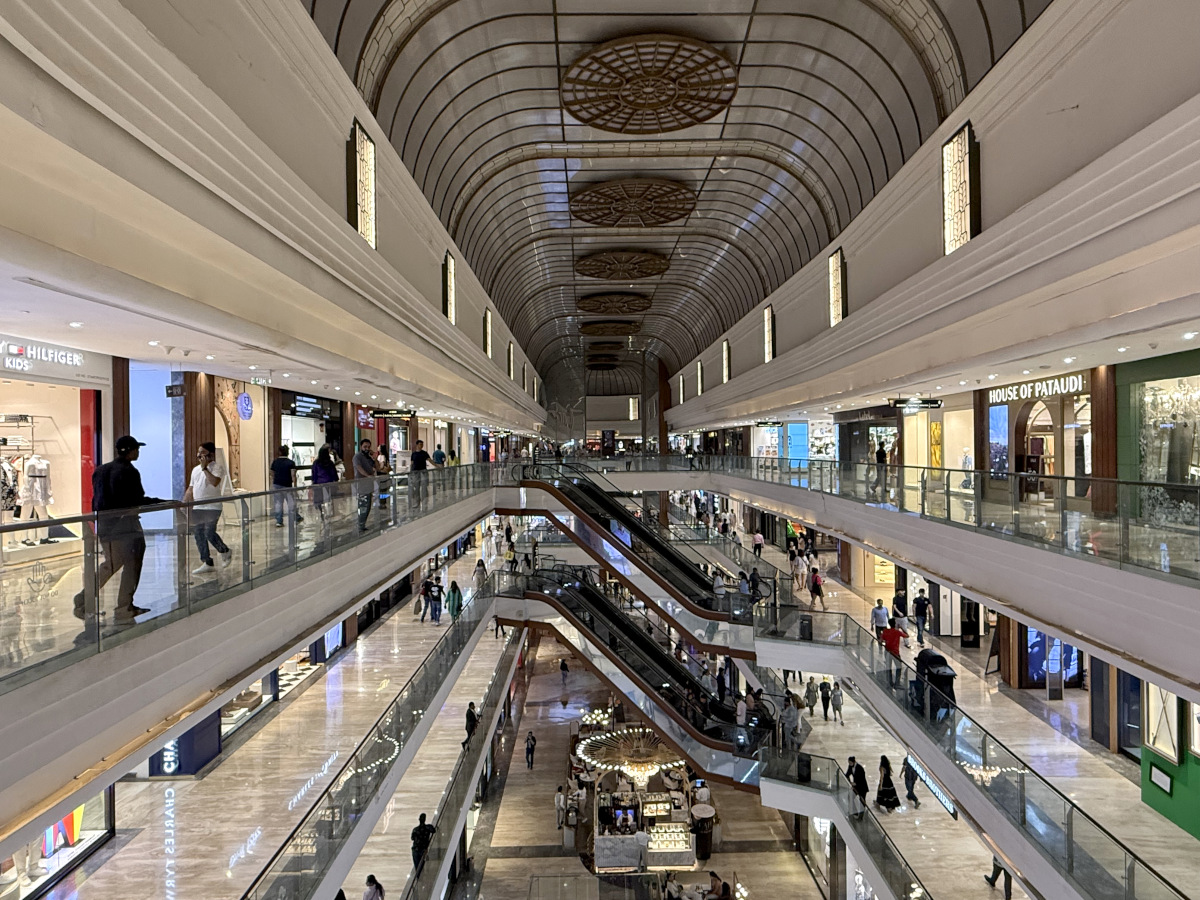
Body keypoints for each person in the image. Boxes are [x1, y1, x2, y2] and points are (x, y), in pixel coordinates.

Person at [74, 436, 171, 625]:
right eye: (136, 449)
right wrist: (163, 502)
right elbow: (136, 500)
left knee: (111, 563)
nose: (138, 452)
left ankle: (84, 598)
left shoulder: (101, 470)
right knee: (132, 563)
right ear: (130, 451)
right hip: (126, 526)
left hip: (105, 525)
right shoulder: (129, 471)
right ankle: (124, 607)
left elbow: (97, 500)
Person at [184, 441, 232, 575]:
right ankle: (207, 561)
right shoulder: (195, 470)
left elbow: (214, 482)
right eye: (198, 452)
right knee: (199, 534)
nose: (199, 455)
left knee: (209, 532)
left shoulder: (217, 468)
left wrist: (205, 468)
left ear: (210, 454)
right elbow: (191, 488)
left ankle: (224, 550)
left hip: (213, 506)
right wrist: (184, 502)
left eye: (203, 453)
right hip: (199, 506)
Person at [270, 444, 301, 527]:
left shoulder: (275, 462)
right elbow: (293, 475)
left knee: (278, 503)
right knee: (291, 502)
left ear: (279, 452)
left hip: (277, 484)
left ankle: (279, 521)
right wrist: (295, 486)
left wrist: (275, 479)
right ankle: (295, 517)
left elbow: (271, 473)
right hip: (287, 485)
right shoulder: (291, 463)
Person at [311, 444, 340, 520]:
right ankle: (328, 514)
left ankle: (321, 514)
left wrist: (314, 483)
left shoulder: (316, 463)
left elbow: (314, 474)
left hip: (319, 484)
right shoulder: (330, 463)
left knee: (319, 500)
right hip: (329, 484)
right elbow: (334, 474)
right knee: (328, 499)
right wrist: (336, 482)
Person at [353, 439, 376, 531]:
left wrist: (374, 458)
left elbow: (376, 467)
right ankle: (360, 525)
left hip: (369, 485)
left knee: (368, 505)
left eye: (368, 447)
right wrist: (367, 476)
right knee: (363, 505)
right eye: (365, 447)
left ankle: (362, 524)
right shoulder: (357, 457)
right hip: (361, 485)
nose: (367, 449)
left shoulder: (369, 458)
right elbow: (359, 468)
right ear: (361, 447)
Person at [880, 618, 906, 688]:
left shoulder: (885, 631)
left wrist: (885, 643)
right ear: (895, 624)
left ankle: (889, 682)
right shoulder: (897, 632)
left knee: (888, 667)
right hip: (895, 653)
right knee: (899, 667)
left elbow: (880, 641)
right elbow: (907, 635)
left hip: (887, 651)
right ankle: (897, 683)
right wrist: (901, 628)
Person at [409, 440, 432, 508]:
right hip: (415, 472)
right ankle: (417, 502)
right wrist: (410, 472)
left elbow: (430, 460)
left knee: (424, 487)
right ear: (417, 445)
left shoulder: (424, 453)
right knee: (417, 488)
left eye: (422, 444)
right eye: (420, 444)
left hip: (423, 472)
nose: (421, 446)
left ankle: (424, 502)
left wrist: (436, 465)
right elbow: (412, 463)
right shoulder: (413, 454)